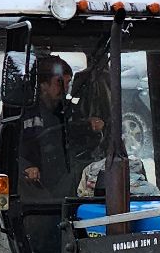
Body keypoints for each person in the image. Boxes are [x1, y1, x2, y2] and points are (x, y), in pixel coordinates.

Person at [18, 54, 102, 197]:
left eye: (68, 83)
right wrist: (26, 167)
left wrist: (90, 127)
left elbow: (74, 138)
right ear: (43, 84)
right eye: (59, 83)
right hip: (34, 184)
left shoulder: (69, 111)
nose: (66, 88)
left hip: (63, 175)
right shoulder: (21, 112)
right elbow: (5, 149)